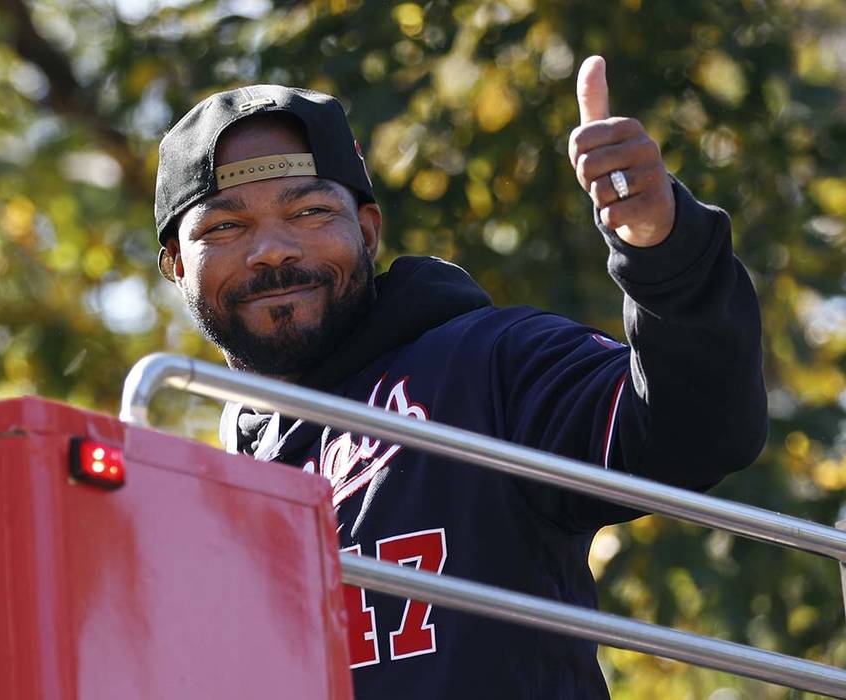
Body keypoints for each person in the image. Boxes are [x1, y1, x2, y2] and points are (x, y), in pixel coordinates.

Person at [153, 56, 767, 699]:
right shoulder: (215, 496)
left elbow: (693, 431)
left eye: (308, 212)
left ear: (367, 232)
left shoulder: (488, 364)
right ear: (174, 263)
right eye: (225, 226)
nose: (273, 249)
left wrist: (661, 245)